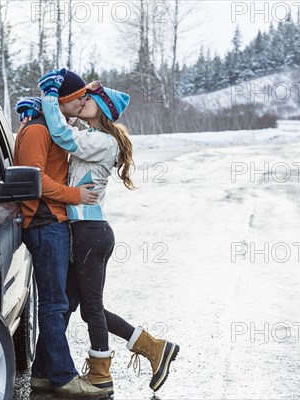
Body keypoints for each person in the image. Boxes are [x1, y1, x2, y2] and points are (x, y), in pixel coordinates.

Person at [37, 68, 180, 395]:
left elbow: (62, 135)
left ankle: (105, 371)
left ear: (101, 108)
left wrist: (47, 95)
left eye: (88, 98)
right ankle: (45, 368)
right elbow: (64, 124)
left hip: (91, 233)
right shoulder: (94, 135)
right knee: (69, 304)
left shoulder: (101, 142)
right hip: (87, 231)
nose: (82, 100)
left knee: (91, 308)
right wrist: (40, 107)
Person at [13, 70, 110, 398]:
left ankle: (42, 373)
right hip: (43, 224)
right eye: (79, 97)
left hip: (55, 223)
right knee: (55, 304)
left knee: (64, 301)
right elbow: (34, 180)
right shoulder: (37, 130)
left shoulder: (51, 123)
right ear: (64, 100)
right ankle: (64, 377)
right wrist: (75, 195)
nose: (84, 101)